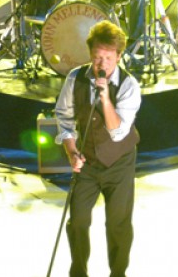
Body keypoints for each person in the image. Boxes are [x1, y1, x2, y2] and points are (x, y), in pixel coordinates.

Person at [55, 20, 142, 277]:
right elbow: (64, 118)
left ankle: (118, 274)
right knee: (78, 221)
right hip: (88, 161)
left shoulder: (128, 85)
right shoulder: (75, 78)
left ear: (118, 55)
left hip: (119, 162)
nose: (101, 64)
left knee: (118, 224)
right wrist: (71, 151)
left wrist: (104, 97)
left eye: (107, 57)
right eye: (96, 57)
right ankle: (78, 273)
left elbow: (117, 131)